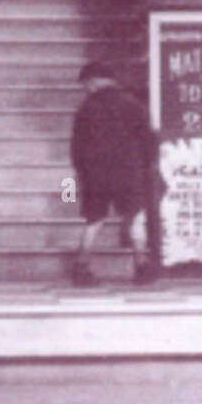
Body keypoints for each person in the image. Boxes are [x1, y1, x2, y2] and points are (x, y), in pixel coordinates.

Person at [70, 61, 156, 287]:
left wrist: (81, 172)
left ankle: (81, 265)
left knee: (94, 220)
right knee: (135, 216)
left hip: (95, 174)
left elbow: (77, 147)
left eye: (86, 84)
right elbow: (148, 141)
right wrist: (146, 166)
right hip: (129, 171)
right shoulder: (134, 104)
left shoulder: (87, 108)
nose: (85, 89)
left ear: (94, 82)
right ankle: (141, 266)